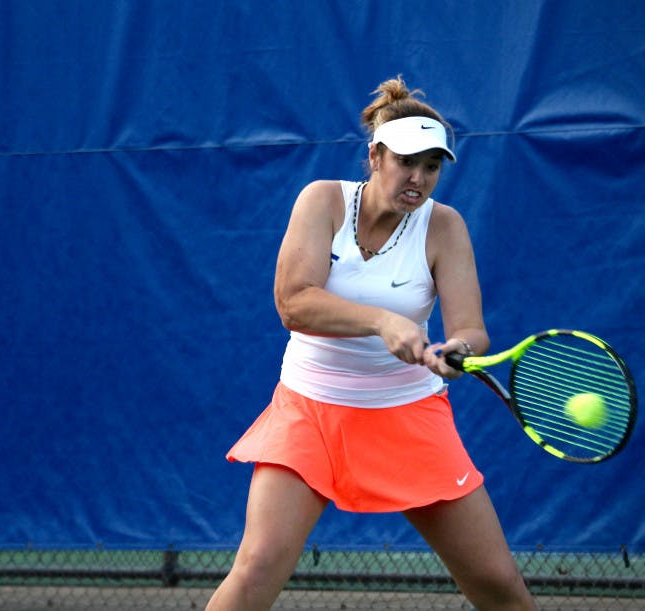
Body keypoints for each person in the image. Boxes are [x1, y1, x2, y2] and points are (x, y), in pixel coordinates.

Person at [206, 76, 537, 611]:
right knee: (258, 566)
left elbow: (472, 330)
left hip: (408, 414)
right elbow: (293, 303)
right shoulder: (322, 201)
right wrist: (383, 322)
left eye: (432, 166)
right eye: (406, 161)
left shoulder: (445, 227)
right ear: (376, 156)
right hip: (310, 411)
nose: (419, 178)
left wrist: (457, 349)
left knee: (498, 583)